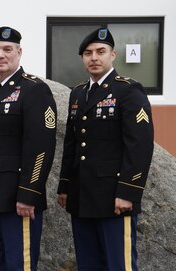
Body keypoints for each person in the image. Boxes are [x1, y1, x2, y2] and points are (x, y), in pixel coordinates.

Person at [57, 28, 154, 270]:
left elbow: (139, 145)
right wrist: (65, 187)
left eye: (101, 52)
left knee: (119, 265)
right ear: (82, 58)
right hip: (81, 198)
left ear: (113, 55)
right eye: (88, 53)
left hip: (114, 199)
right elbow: (72, 143)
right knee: (88, 265)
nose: (94, 58)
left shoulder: (128, 90)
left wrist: (128, 192)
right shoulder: (78, 94)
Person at [0, 26, 57, 270]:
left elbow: (42, 146)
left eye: (7, 49)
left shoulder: (34, 89)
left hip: (18, 199)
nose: (0, 55)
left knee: (21, 264)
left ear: (19, 53)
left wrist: (29, 193)